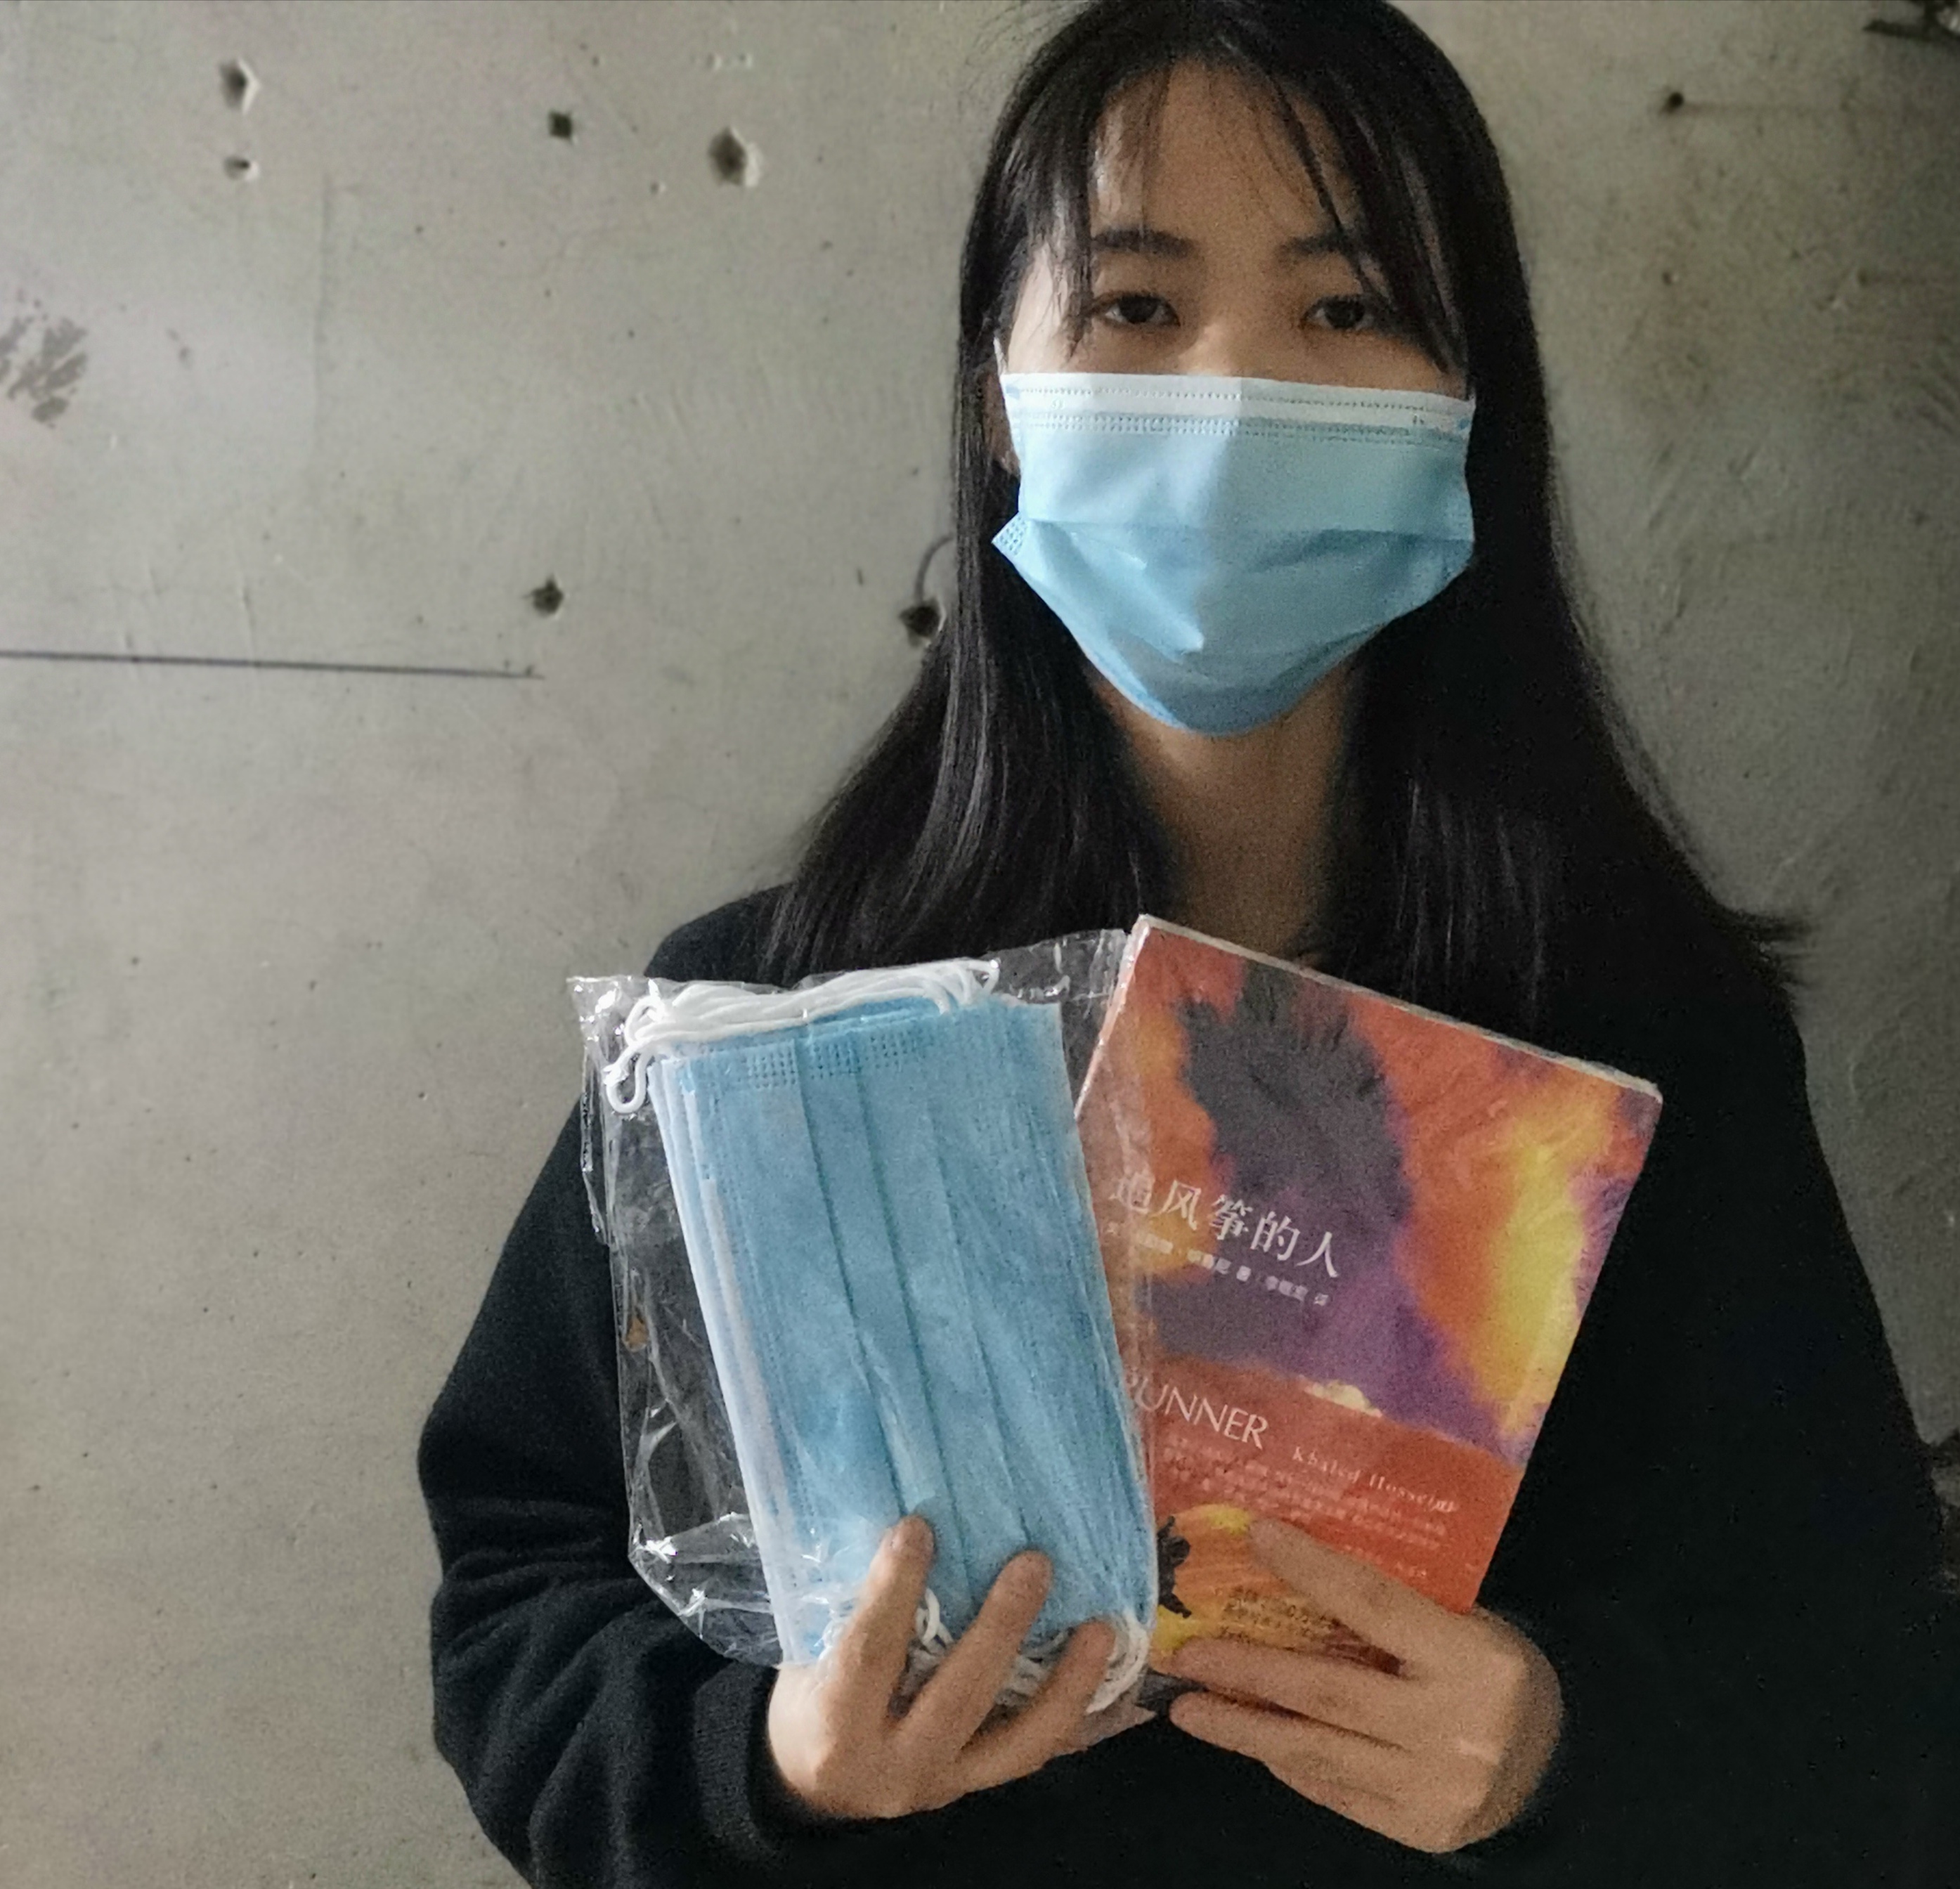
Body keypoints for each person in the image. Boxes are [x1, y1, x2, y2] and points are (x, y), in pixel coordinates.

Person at [417, 3, 1956, 1885]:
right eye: (1136, 307)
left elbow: (1864, 1692)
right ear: (999, 393)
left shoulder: (1642, 1047)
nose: (1233, 390)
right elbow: (520, 1600)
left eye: (1346, 308)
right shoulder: (772, 1035)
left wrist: (1559, 1751)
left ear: (1470, 403)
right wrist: (769, 1764)